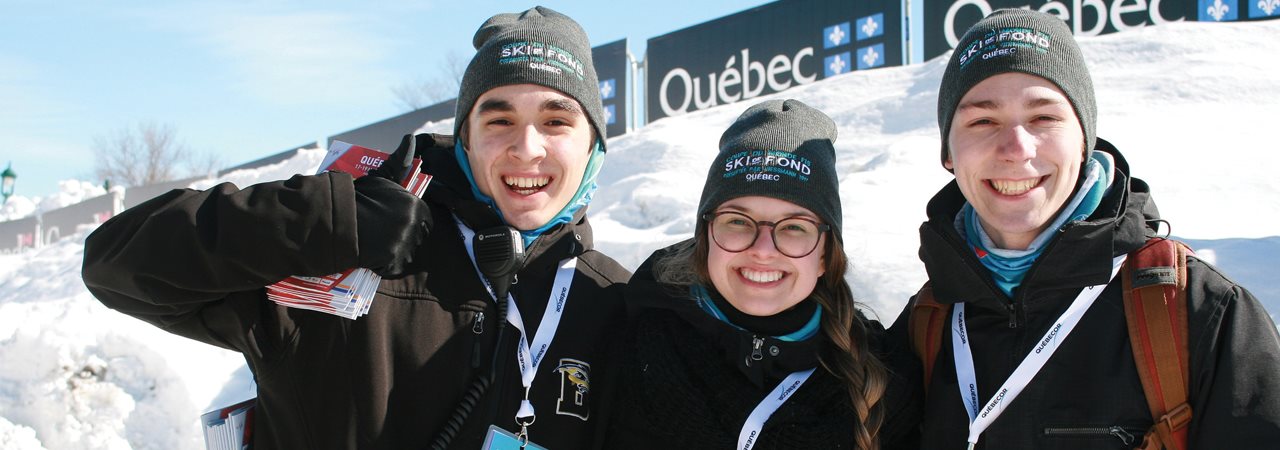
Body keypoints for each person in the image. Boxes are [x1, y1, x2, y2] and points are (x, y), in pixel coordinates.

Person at [82, 6, 630, 450]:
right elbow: (117, 266)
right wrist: (327, 219)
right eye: (499, 120)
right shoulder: (341, 253)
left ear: (593, 145)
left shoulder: (613, 302)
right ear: (466, 138)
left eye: (556, 121)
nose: (526, 148)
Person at [889, 9, 1280, 449]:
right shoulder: (927, 324)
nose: (1017, 149)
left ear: (1084, 141)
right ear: (949, 153)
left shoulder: (1196, 312)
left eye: (1044, 118)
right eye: (982, 121)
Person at [605, 99, 921, 449]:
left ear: (824, 255)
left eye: (794, 228)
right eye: (738, 221)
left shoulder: (881, 380)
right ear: (705, 238)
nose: (763, 250)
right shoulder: (628, 341)